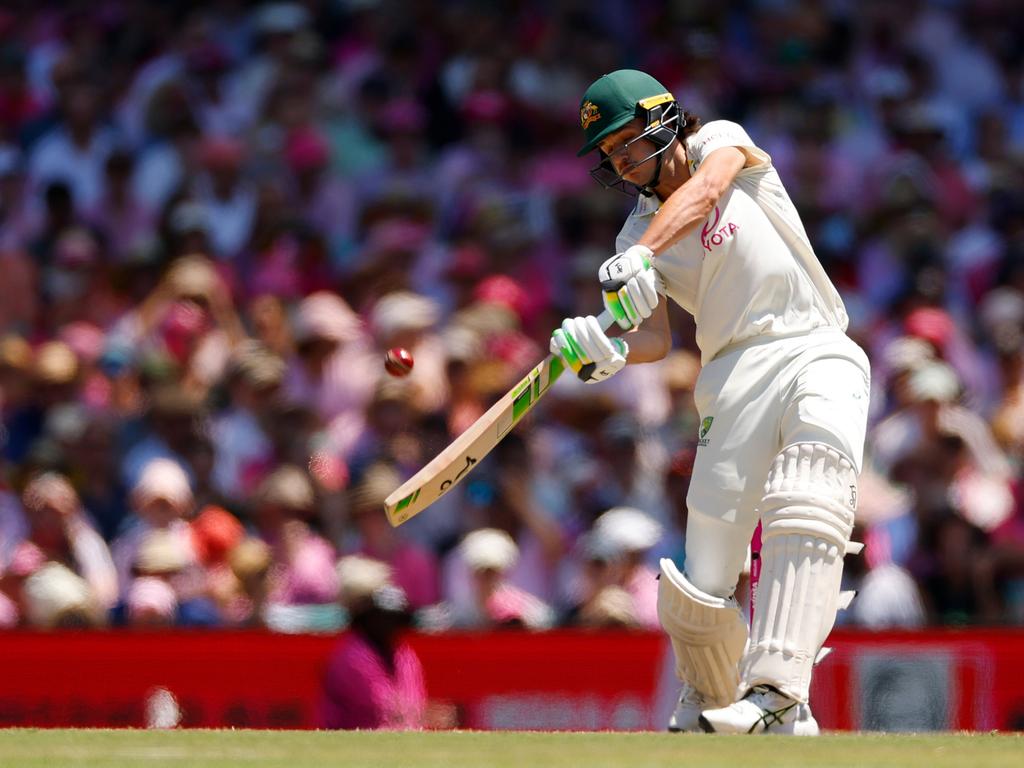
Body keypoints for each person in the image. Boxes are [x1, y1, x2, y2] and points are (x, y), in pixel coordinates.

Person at [549, 70, 871, 735]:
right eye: (609, 156)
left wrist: (641, 253)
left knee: (807, 490)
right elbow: (656, 340)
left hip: (813, 341)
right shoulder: (634, 237)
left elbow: (709, 187)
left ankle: (780, 694)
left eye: (625, 144)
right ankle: (708, 702)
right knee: (706, 574)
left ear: (662, 120)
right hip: (729, 378)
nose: (620, 163)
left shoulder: (719, 142)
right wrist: (605, 353)